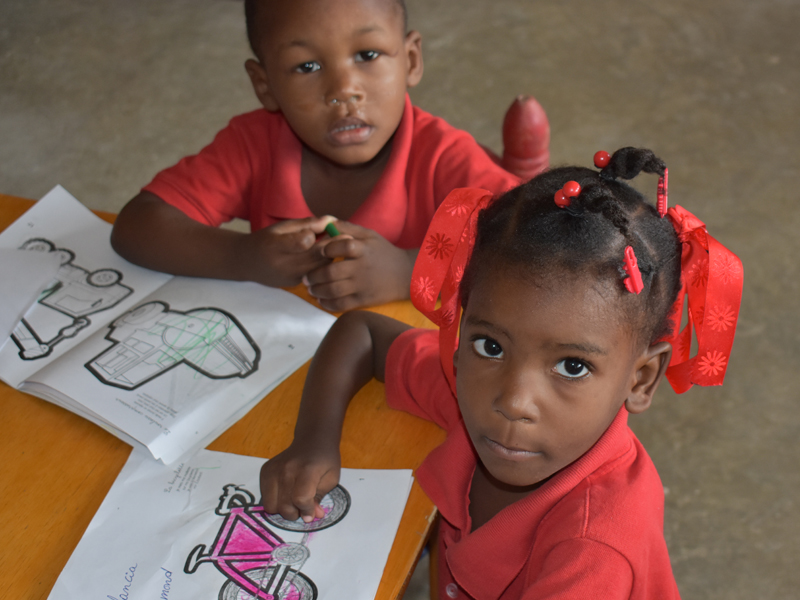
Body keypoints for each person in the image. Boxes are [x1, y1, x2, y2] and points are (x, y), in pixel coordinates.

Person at [259, 147, 743, 598]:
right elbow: (363, 333)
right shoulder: (467, 384)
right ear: (460, 324)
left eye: (572, 366)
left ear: (640, 378)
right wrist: (313, 442)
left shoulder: (592, 555)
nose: (513, 400)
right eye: (491, 344)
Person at [110, 0, 549, 311]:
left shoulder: (441, 156)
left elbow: (541, 247)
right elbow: (137, 226)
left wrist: (406, 271)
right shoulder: (253, 143)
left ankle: (521, 167)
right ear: (264, 85)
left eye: (367, 55)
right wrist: (243, 257)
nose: (343, 91)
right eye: (307, 67)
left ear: (411, 60)